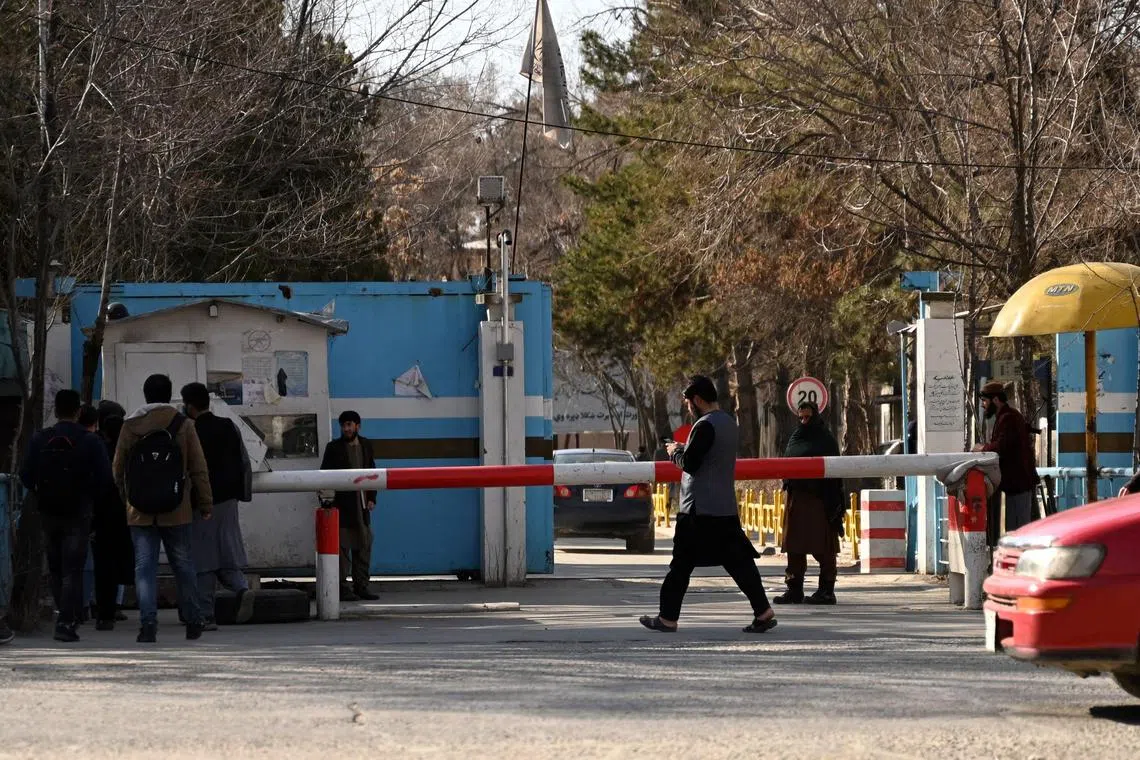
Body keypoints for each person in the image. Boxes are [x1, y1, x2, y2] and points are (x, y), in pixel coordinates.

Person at [639, 375, 776, 634]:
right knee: (740, 563)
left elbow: (690, 464)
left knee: (680, 565)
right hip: (724, 507)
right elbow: (709, 456)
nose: (688, 407)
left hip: (698, 511)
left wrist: (675, 453)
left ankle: (667, 619)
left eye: (689, 402)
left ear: (698, 400)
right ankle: (763, 611)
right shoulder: (728, 423)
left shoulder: (704, 426)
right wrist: (686, 448)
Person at [113, 374, 213, 643]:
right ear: (169, 395)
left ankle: (148, 626)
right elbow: (198, 467)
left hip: (139, 511)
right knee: (183, 565)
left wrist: (129, 499)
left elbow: (118, 469)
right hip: (176, 508)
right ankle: (193, 621)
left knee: (144, 568)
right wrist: (205, 503)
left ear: (145, 395)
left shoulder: (130, 425)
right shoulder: (184, 425)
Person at [19, 389, 112, 642]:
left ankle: (65, 612)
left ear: (56, 410)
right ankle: (66, 621)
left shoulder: (41, 438)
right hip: (79, 511)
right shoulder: (91, 441)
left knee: (57, 567)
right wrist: (88, 497)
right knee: (73, 568)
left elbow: (26, 475)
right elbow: (105, 479)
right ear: (79, 411)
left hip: (48, 510)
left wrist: (42, 492)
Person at [181, 382, 251, 629]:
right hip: (229, 499)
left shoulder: (189, 430)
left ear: (189, 406)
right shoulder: (228, 426)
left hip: (202, 502)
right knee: (228, 551)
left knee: (204, 560)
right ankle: (242, 589)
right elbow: (244, 461)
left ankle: (206, 615)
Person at [775, 401, 845, 606]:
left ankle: (826, 591)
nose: (804, 421)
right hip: (796, 500)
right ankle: (794, 590)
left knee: (824, 548)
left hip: (820, 501)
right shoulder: (796, 437)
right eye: (801, 417)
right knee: (794, 548)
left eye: (808, 417)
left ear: (815, 416)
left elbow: (834, 472)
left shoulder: (826, 439)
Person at [319, 410, 379, 601]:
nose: (346, 429)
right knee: (342, 549)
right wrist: (328, 502)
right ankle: (343, 588)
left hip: (362, 505)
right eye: (344, 425)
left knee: (364, 545)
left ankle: (361, 585)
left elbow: (372, 471)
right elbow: (324, 476)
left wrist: (372, 497)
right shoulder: (333, 448)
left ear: (357, 426)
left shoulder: (366, 445)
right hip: (343, 506)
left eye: (349, 425)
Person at [972, 381, 1039, 536]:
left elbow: (1002, 446)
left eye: (985, 401)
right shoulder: (1006, 416)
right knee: (1014, 530)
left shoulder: (1008, 418)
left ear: (995, 400)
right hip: (1015, 484)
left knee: (1018, 532)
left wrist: (982, 448)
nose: (983, 405)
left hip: (1018, 483)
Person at [91, 401, 134, 629]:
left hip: (101, 513)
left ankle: (104, 611)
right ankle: (118, 606)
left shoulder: (96, 446)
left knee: (103, 564)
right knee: (128, 560)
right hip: (128, 512)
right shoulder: (131, 447)